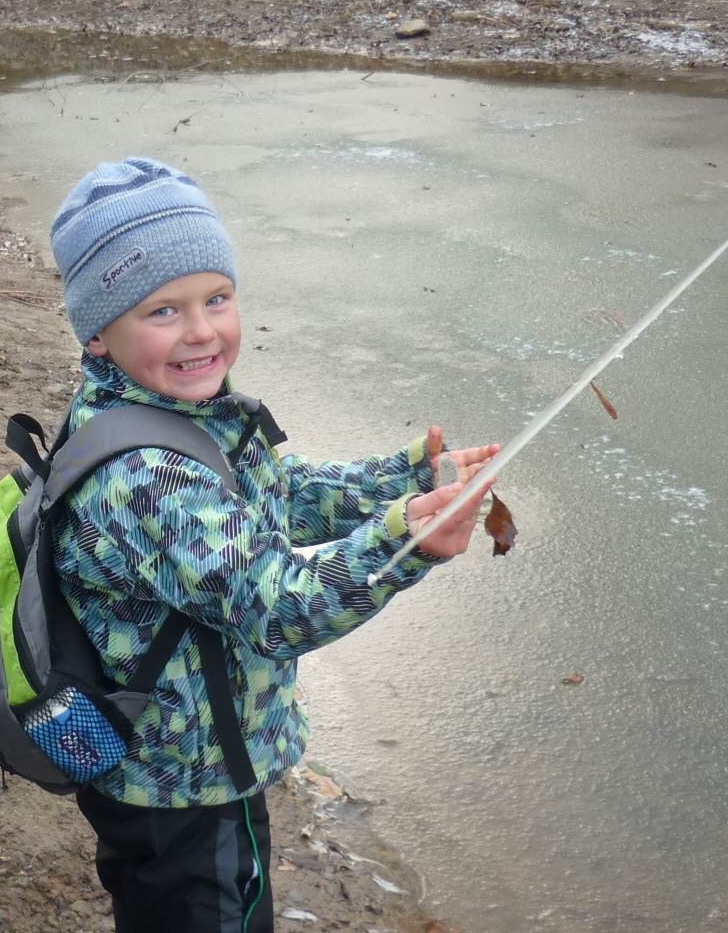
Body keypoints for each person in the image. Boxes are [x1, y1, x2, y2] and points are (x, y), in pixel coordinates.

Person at [46, 157, 498, 933]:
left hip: (184, 766)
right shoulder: (147, 478)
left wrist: (404, 480)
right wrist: (407, 543)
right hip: (184, 792)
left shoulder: (174, 413)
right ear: (97, 333)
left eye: (216, 299)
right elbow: (278, 610)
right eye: (163, 311)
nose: (201, 331)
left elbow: (276, 494)